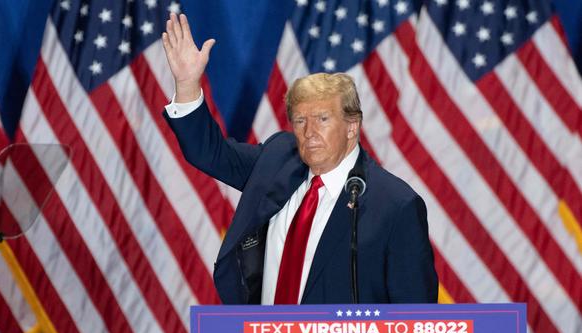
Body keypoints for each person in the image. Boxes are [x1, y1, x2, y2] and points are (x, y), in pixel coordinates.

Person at [161, 13, 438, 304]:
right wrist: (188, 84)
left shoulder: (395, 205)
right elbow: (209, 153)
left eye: (322, 119)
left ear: (352, 127)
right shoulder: (277, 159)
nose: (309, 133)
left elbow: (415, 318)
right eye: (300, 121)